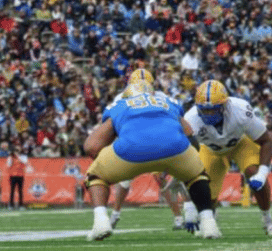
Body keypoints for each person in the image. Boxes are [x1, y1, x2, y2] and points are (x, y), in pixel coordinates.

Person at [83, 80, 221, 241]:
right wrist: (188, 167)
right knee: (198, 176)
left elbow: (91, 147)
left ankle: (101, 222)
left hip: (131, 150)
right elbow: (190, 135)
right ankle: (208, 223)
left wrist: (110, 160)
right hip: (175, 148)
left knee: (95, 177)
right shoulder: (167, 102)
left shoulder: (120, 105)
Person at [184, 80, 272, 237]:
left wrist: (262, 173)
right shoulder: (191, 119)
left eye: (213, 110)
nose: (208, 115)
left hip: (240, 143)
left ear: (224, 105)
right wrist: (189, 204)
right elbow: (184, 157)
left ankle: (268, 219)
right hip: (211, 150)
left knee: (253, 171)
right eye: (205, 110)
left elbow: (266, 141)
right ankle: (210, 218)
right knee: (206, 191)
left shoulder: (240, 109)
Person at [107, 69, 197, 231]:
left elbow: (176, 116)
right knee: (125, 180)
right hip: (138, 141)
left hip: (155, 140)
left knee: (169, 178)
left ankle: (181, 215)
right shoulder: (125, 98)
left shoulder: (159, 97)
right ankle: (115, 213)